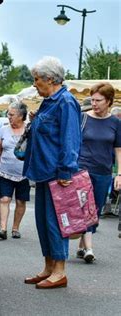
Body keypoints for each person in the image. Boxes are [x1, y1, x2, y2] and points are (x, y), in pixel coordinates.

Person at [23, 56, 81, 289]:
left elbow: (70, 140)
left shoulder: (66, 102)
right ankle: (48, 267)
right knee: (43, 223)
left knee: (56, 223)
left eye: (37, 80)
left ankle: (59, 271)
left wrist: (66, 171)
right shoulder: (48, 101)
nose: (35, 84)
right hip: (43, 171)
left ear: (49, 79)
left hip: (57, 174)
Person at [76, 82, 121, 263]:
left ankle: (81, 246)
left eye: (98, 100)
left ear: (108, 101)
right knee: (86, 208)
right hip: (82, 169)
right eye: (92, 99)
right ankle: (89, 248)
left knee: (96, 209)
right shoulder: (82, 118)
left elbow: (118, 150)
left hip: (103, 172)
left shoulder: (115, 123)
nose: (94, 103)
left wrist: (119, 174)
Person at [0, 102, 30, 240]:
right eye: (8, 114)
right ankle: (2, 228)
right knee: (5, 199)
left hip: (24, 174)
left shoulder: (29, 130)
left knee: (20, 202)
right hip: (5, 171)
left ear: (21, 116)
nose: (9, 117)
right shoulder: (3, 130)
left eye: (11, 114)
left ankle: (15, 228)